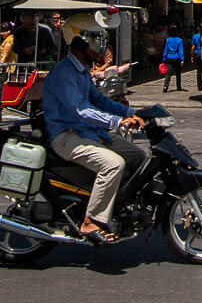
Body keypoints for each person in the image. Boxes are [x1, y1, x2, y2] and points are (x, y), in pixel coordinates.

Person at [43, 36, 147, 244]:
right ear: (82, 48)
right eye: (96, 47)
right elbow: (81, 109)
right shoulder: (65, 73)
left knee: (137, 155)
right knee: (113, 164)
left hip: (88, 132)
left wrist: (132, 112)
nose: (102, 52)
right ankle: (90, 221)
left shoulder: (81, 70)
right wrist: (118, 122)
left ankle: (114, 206)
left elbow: (98, 100)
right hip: (67, 135)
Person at [162, 24, 185, 93]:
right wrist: (182, 59)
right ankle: (178, 86)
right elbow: (181, 50)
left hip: (169, 58)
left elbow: (165, 50)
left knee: (168, 73)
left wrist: (163, 59)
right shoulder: (179, 40)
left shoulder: (168, 40)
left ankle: (165, 86)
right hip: (177, 58)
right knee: (178, 73)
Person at [191, 25, 202, 91]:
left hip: (197, 54)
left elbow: (193, 47)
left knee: (199, 71)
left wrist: (192, 56)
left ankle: (199, 85)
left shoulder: (195, 36)